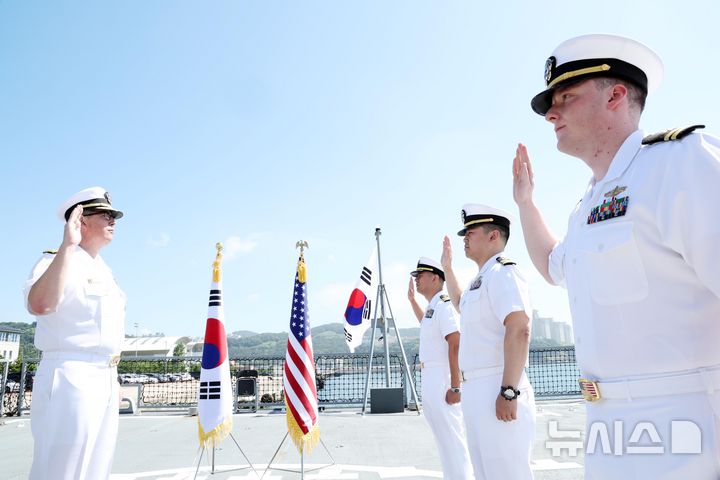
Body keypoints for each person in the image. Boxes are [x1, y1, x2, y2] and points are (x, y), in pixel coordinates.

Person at [513, 34, 720, 478]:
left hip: (687, 426)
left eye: (565, 97)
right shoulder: (589, 203)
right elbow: (554, 265)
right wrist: (526, 205)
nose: (551, 112)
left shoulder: (681, 163)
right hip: (607, 429)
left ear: (617, 95)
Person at [24, 187, 126, 480]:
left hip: (104, 375)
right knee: (62, 470)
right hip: (71, 375)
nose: (113, 220)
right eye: (106, 215)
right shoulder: (55, 260)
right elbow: (40, 304)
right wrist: (67, 246)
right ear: (81, 220)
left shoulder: (105, 270)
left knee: (96, 468)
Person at [441, 204, 535, 480]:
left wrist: (509, 391)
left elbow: (519, 329)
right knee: (486, 473)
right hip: (477, 390)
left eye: (470, 232)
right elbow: (461, 303)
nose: (464, 239)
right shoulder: (480, 280)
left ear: (494, 236)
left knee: (508, 472)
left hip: (498, 384)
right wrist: (447, 268)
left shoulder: (505, 272)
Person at [407, 257, 474, 480]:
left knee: (453, 440)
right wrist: (411, 301)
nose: (416, 281)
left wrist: (455, 387)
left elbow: (455, 343)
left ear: (435, 278)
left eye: (420, 276)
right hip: (431, 377)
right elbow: (426, 324)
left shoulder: (444, 304)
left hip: (442, 378)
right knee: (443, 440)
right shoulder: (432, 307)